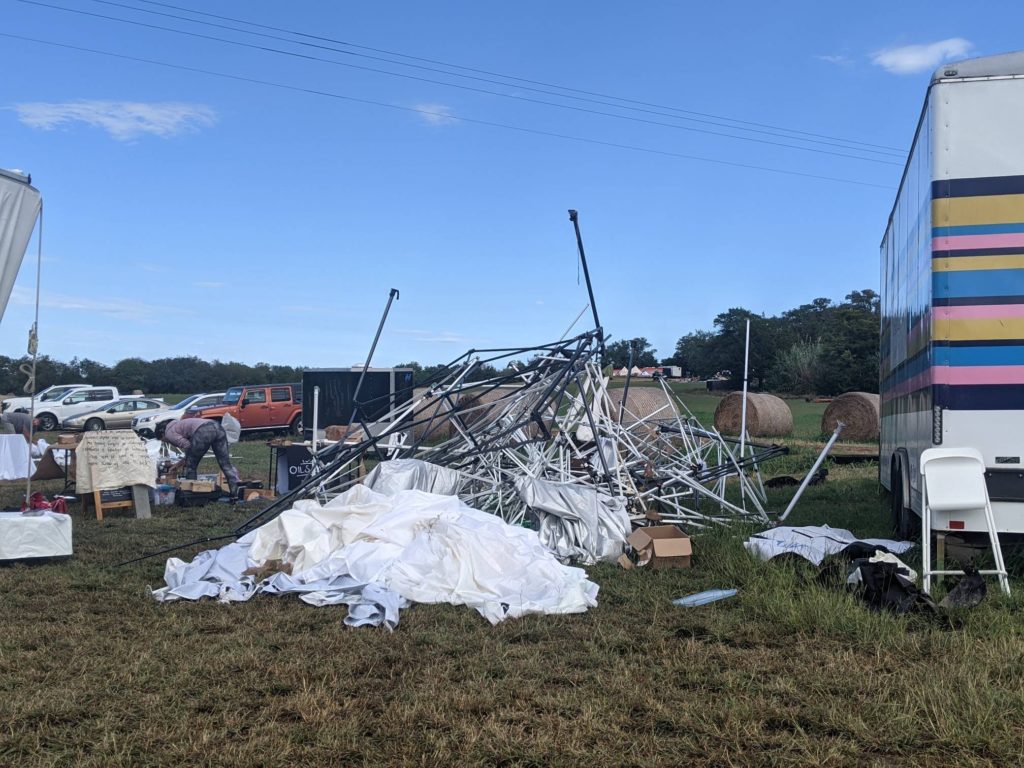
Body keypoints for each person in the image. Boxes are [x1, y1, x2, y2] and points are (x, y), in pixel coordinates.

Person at [160, 418, 240, 496]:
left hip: (204, 431)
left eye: (163, 440)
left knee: (191, 467)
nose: (167, 442)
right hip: (218, 427)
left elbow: (188, 447)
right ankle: (234, 494)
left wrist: (181, 464)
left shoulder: (169, 433)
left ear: (162, 434)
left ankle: (191, 495)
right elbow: (192, 451)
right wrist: (178, 465)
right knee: (225, 464)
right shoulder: (178, 425)